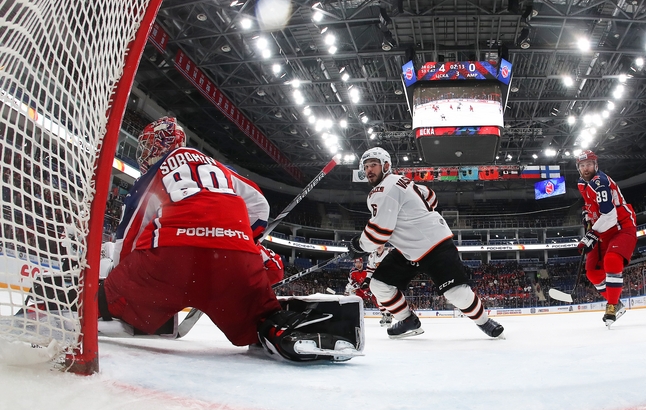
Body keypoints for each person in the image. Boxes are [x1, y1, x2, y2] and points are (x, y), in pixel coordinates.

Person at [98, 116, 359, 362]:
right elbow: (259, 205)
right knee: (259, 319)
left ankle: (97, 306)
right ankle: (279, 332)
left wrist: (119, 277)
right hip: (232, 264)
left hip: (170, 262)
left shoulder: (155, 173)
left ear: (161, 144)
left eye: (146, 146)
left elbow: (130, 234)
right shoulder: (217, 166)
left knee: (111, 300)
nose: (143, 153)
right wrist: (243, 240)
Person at [347, 147, 503, 338]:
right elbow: (431, 196)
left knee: (456, 293)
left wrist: (358, 245)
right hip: (409, 249)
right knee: (379, 284)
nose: (369, 170)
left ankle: (484, 322)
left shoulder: (383, 190)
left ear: (386, 166)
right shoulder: (403, 182)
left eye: (374, 165)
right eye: (366, 166)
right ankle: (407, 321)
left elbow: (380, 232)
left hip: (434, 244)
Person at [575, 150, 638, 327]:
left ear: (596, 165)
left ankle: (611, 305)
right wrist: (587, 214)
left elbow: (610, 216)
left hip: (620, 225)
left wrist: (592, 235)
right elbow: (590, 204)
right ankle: (616, 302)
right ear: (578, 168)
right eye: (582, 165)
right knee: (593, 272)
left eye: (588, 164)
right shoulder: (582, 183)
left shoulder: (600, 183)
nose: (585, 168)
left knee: (612, 259)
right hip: (603, 228)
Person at [346, 255, 392, 327]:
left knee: (377, 300)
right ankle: (354, 318)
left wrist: (371, 290)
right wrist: (355, 285)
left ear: (362, 262)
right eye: (356, 263)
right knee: (355, 301)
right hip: (359, 291)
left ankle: (386, 315)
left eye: (359, 263)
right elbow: (352, 281)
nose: (357, 264)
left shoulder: (367, 270)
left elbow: (372, 278)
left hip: (370, 289)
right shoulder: (352, 271)